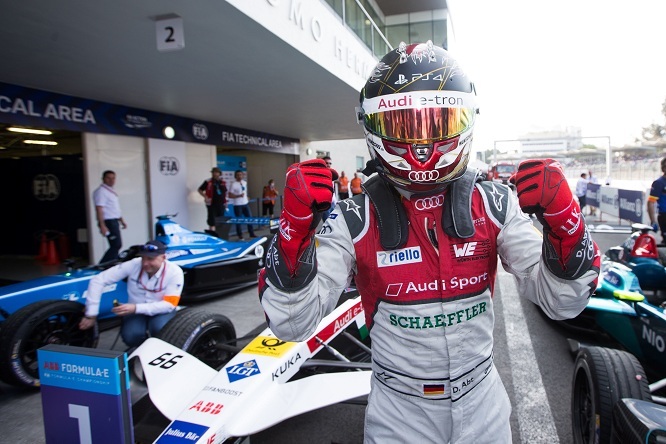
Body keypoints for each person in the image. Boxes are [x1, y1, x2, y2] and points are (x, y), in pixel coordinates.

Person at [258, 41, 600, 443]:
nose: (421, 145)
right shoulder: (353, 217)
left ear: (467, 120)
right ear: (372, 127)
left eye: (438, 124)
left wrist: (566, 223)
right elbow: (291, 325)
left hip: (482, 401)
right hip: (399, 412)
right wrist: (294, 230)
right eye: (404, 126)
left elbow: (563, 303)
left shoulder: (494, 202)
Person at [79, 240, 184, 348]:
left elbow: (169, 304)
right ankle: (142, 350)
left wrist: (135, 308)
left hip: (161, 311)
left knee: (160, 330)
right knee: (131, 336)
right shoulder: (134, 264)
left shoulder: (175, 272)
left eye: (150, 259)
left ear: (163, 257)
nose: (145, 263)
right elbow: (98, 280)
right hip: (135, 311)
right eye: (143, 258)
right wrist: (91, 314)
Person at [93, 170, 127, 263]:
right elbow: (99, 208)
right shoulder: (101, 191)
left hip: (114, 220)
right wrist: (102, 225)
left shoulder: (111, 191)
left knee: (117, 245)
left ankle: (111, 263)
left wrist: (121, 220)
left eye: (113, 178)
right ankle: (103, 265)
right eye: (108, 178)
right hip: (108, 221)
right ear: (103, 179)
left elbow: (114, 208)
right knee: (116, 245)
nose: (111, 180)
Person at [228, 170, 256, 239]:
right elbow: (230, 195)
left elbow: (244, 192)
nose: (239, 176)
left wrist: (247, 197)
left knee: (249, 218)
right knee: (239, 220)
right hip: (237, 205)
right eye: (238, 175)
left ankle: (251, 233)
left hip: (245, 203)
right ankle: (240, 235)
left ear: (242, 175)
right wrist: (238, 196)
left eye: (240, 174)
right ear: (235, 176)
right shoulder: (233, 184)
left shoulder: (244, 183)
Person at [198, 167, 227, 231]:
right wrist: (205, 196)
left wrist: (225, 202)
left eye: (216, 172)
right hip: (212, 204)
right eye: (213, 172)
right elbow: (200, 190)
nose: (215, 174)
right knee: (212, 221)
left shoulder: (222, 182)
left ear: (219, 174)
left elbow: (224, 193)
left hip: (221, 204)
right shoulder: (208, 181)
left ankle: (219, 235)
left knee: (220, 221)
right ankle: (212, 235)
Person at [647, 157, 666, 245]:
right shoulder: (659, 183)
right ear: (664, 168)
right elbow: (650, 202)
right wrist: (653, 221)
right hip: (664, 216)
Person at [321, 156, 336, 221]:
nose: (329, 165)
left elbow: (332, 190)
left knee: (334, 223)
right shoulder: (320, 175)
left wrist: (335, 201)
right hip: (325, 205)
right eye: (327, 163)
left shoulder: (331, 175)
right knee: (327, 224)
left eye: (330, 163)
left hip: (332, 204)